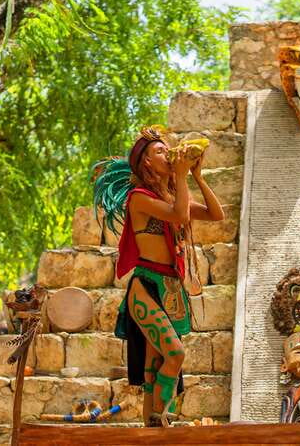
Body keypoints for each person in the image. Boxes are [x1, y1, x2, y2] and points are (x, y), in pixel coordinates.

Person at [92, 125, 224, 427]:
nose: (168, 153)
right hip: (147, 286)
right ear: (147, 163)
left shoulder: (173, 198)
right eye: (160, 151)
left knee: (155, 371)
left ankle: (152, 430)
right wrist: (180, 174)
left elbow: (217, 215)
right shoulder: (139, 198)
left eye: (168, 148)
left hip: (172, 290)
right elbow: (179, 216)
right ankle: (162, 420)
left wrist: (197, 177)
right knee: (175, 355)